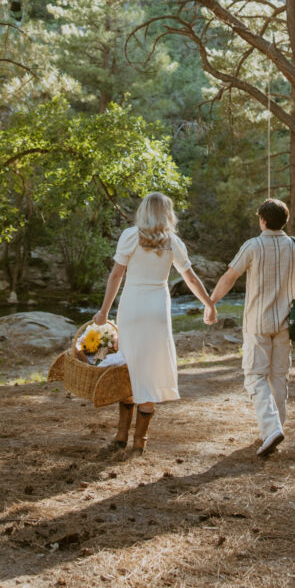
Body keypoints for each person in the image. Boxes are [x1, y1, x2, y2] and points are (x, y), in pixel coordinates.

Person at [93, 192, 217, 453]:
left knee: (128, 366)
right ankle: (140, 442)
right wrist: (209, 304)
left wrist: (104, 312)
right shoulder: (173, 242)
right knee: (149, 369)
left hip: (132, 307)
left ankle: (120, 436)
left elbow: (115, 276)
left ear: (143, 212)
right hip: (157, 310)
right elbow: (191, 278)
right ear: (167, 214)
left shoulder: (130, 236)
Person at [208, 198, 295, 457]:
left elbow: (229, 277)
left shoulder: (252, 246)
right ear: (283, 221)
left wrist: (210, 302)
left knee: (254, 376)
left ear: (263, 220)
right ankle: (273, 430)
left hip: (257, 323)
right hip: (286, 323)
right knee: (278, 378)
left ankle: (271, 429)